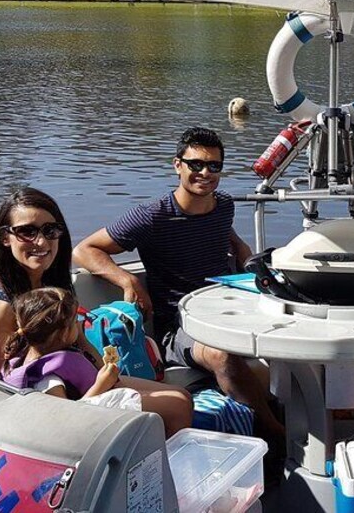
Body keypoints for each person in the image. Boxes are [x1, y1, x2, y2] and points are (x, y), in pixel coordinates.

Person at [72, 127, 283, 442]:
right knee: (221, 356)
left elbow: (226, 235)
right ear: (177, 165)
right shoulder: (152, 216)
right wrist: (127, 279)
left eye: (214, 166)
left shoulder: (223, 205)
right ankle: (275, 434)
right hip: (181, 328)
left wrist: (242, 252)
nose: (205, 173)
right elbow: (84, 250)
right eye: (195, 164)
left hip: (227, 311)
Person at [0, 187, 192, 437]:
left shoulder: (52, 287)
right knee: (175, 405)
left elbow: (81, 342)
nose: (41, 242)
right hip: (50, 407)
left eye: (50, 230)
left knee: (180, 395)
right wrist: (98, 388)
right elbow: (4, 390)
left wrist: (105, 375)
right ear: (5, 238)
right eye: (27, 232)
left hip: (79, 384)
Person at [2, 287, 122, 402]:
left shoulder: (23, 354)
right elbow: (67, 415)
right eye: (75, 322)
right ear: (64, 334)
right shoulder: (46, 379)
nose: (79, 324)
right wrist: (101, 386)